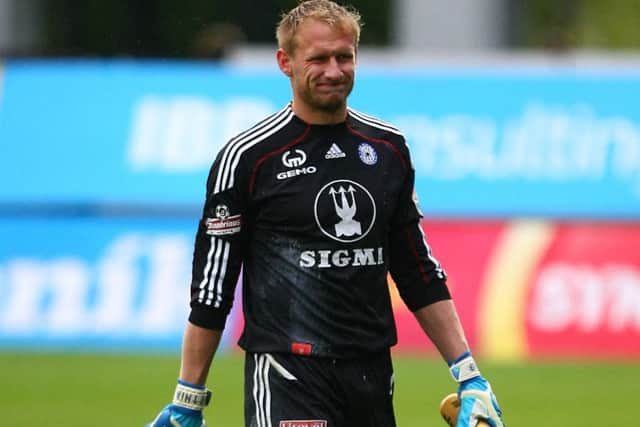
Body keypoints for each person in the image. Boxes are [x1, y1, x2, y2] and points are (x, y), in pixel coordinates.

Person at [147, 1, 505, 426]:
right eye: (318, 58)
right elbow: (212, 290)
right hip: (287, 374)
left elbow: (417, 270)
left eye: (344, 56)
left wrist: (469, 375)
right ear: (286, 62)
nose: (334, 70)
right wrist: (188, 397)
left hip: (371, 375)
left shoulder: (388, 149)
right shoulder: (248, 158)